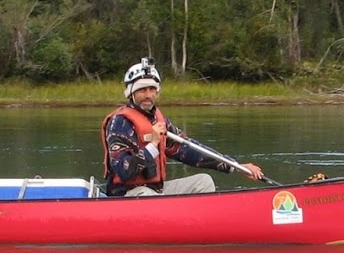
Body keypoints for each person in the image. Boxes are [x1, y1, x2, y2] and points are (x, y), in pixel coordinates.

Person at [101, 57, 265, 197]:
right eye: (142, 90)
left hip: (156, 191)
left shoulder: (158, 120)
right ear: (131, 92)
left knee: (204, 182)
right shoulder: (120, 123)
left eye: (152, 89)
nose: (148, 95)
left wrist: (235, 166)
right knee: (147, 195)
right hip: (128, 194)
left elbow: (189, 150)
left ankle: (199, 222)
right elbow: (124, 170)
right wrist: (152, 146)